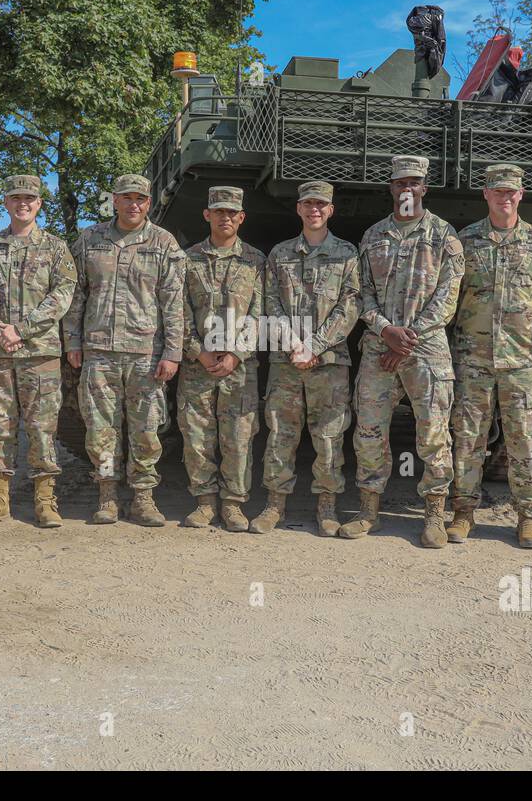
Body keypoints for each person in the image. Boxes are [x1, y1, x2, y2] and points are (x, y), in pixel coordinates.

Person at [339, 155, 464, 548]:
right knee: (370, 432)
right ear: (390, 189)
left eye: (414, 182)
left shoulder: (444, 236)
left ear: (424, 187)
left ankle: (434, 514)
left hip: (425, 352)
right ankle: (368, 510)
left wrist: (406, 338)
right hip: (380, 348)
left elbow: (448, 298)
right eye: (399, 183)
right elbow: (362, 294)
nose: (406, 189)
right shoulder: (373, 236)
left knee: (433, 434)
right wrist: (385, 330)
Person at [449, 163, 532, 549]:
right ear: (486, 194)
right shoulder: (465, 242)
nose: (505, 197)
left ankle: (528, 518)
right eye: (498, 191)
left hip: (522, 362)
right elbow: (451, 298)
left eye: (511, 191)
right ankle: (463, 512)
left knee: (524, 442)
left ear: (521, 195)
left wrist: (526, 333)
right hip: (473, 358)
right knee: (467, 439)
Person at [62, 173, 186, 526]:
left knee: (147, 430)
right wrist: (73, 341)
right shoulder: (90, 240)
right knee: (100, 430)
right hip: (99, 351)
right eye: (127, 198)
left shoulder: (163, 243)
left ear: (148, 203)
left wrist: (172, 352)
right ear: (114, 200)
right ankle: (107, 496)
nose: (134, 205)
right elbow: (76, 296)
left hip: (146, 354)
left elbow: (173, 302)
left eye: (141, 199)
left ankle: (143, 498)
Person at [0, 175, 77, 529]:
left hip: (39, 353)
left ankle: (45, 499)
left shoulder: (56, 248)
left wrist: (21, 330)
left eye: (29, 198)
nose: (22, 203)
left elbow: (63, 294)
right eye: (15, 198)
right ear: (6, 204)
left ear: (39, 203)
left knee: (42, 427)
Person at [251, 180, 360, 537]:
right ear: (298, 208)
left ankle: (327, 508)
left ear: (330, 210)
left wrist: (314, 346)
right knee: (281, 434)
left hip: (328, 363)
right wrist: (294, 343)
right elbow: (270, 303)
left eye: (321, 205)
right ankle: (274, 506)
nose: (314, 209)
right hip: (287, 361)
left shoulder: (347, 254)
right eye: (308, 204)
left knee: (329, 438)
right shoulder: (280, 254)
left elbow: (350, 306)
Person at [178, 186, 266, 532]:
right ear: (207, 215)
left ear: (241, 217)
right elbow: (177, 312)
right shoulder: (187, 260)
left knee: (238, 436)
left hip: (239, 367)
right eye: (219, 211)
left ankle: (232, 504)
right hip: (197, 363)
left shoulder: (256, 261)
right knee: (197, 435)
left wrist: (236, 353)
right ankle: (204, 502)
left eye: (232, 212)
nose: (225, 217)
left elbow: (261, 314)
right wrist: (197, 351)